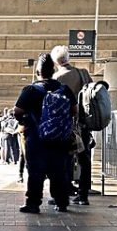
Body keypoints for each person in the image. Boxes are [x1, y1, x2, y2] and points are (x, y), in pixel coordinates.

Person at [14, 52, 76, 213]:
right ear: (53, 71)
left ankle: (33, 203)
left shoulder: (30, 90)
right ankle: (61, 202)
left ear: (37, 72)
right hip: (60, 139)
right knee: (59, 170)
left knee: (35, 171)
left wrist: (25, 121)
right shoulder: (64, 89)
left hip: (36, 138)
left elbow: (17, 111)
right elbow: (74, 111)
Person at [51, 45, 92, 205]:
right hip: (83, 123)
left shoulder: (56, 79)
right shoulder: (83, 74)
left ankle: (63, 193)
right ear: (68, 58)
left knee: (63, 158)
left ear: (55, 61)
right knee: (84, 157)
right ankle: (83, 195)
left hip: (64, 124)